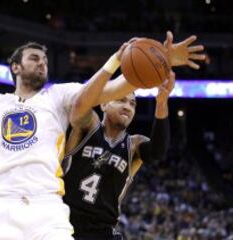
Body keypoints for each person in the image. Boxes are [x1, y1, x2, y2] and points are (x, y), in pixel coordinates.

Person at [0, 12, 138, 240]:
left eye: (45, 60)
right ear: (16, 67)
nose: (42, 63)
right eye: (34, 58)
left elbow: (112, 89)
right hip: (2, 205)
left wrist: (145, 64)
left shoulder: (58, 96)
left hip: (47, 206)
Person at [62, 30, 205, 239]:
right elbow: (81, 105)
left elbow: (157, 151)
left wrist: (162, 101)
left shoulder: (133, 145)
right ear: (104, 104)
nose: (128, 107)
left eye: (133, 104)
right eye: (121, 100)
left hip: (104, 232)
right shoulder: (87, 126)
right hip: (64, 227)